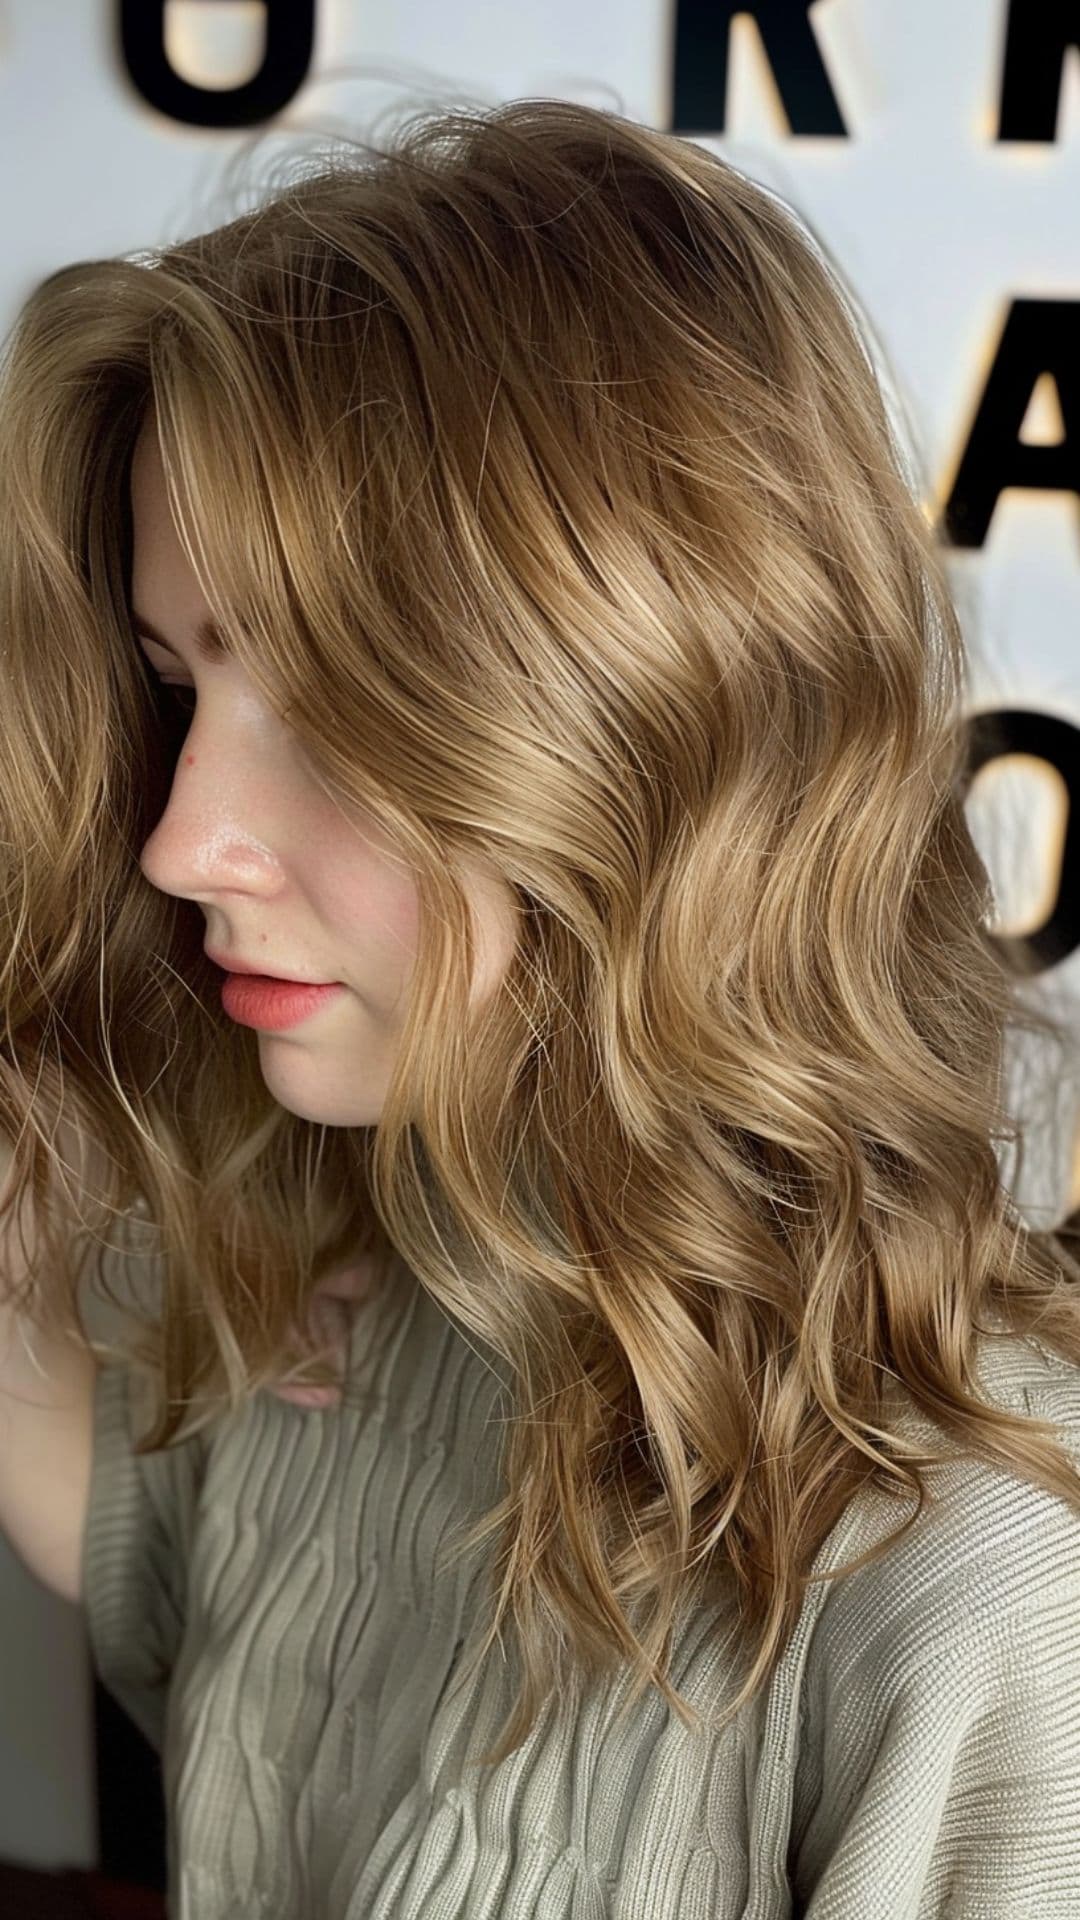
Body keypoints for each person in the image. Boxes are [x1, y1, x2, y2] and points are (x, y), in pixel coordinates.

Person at [0, 95, 1078, 1920]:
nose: (182, 840)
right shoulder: (388, 1290)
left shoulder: (979, 1587)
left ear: (644, 731)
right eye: (177, 688)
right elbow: (165, 1583)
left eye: (333, 711)